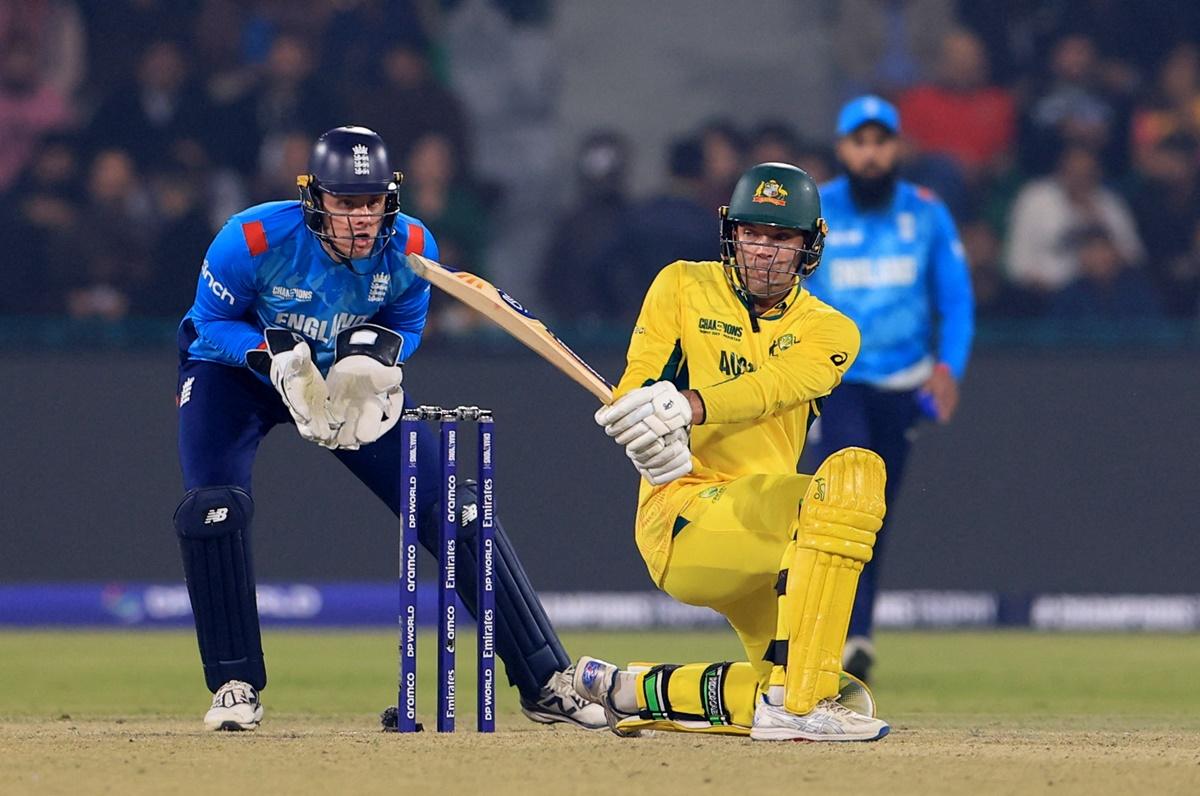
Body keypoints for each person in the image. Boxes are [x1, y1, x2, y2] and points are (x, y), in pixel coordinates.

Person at [174, 125, 604, 732]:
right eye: (346, 203)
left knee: (454, 505)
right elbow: (208, 321)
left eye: (372, 202)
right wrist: (274, 358)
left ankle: (543, 679)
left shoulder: (412, 245)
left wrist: (376, 362)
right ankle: (234, 686)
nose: (361, 218)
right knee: (213, 509)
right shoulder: (250, 237)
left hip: (343, 381)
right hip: (235, 373)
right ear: (313, 198)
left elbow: (407, 317)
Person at [570, 162, 890, 743]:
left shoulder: (832, 331)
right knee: (842, 488)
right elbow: (639, 380)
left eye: (782, 238)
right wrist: (644, 427)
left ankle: (619, 687)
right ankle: (794, 710)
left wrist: (690, 406)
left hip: (776, 545)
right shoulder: (681, 285)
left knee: (839, 694)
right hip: (684, 512)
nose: (764, 251)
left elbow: (772, 388)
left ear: (809, 245)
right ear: (731, 233)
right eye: (753, 234)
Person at [802, 96, 974, 683]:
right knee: (842, 504)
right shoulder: (817, 207)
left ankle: (856, 635)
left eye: (881, 142)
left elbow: (955, 301)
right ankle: (837, 635)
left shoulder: (926, 213)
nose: (870, 154)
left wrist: (947, 368)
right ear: (842, 148)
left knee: (874, 517)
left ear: (897, 148)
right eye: (859, 142)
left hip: (904, 384)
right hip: (838, 382)